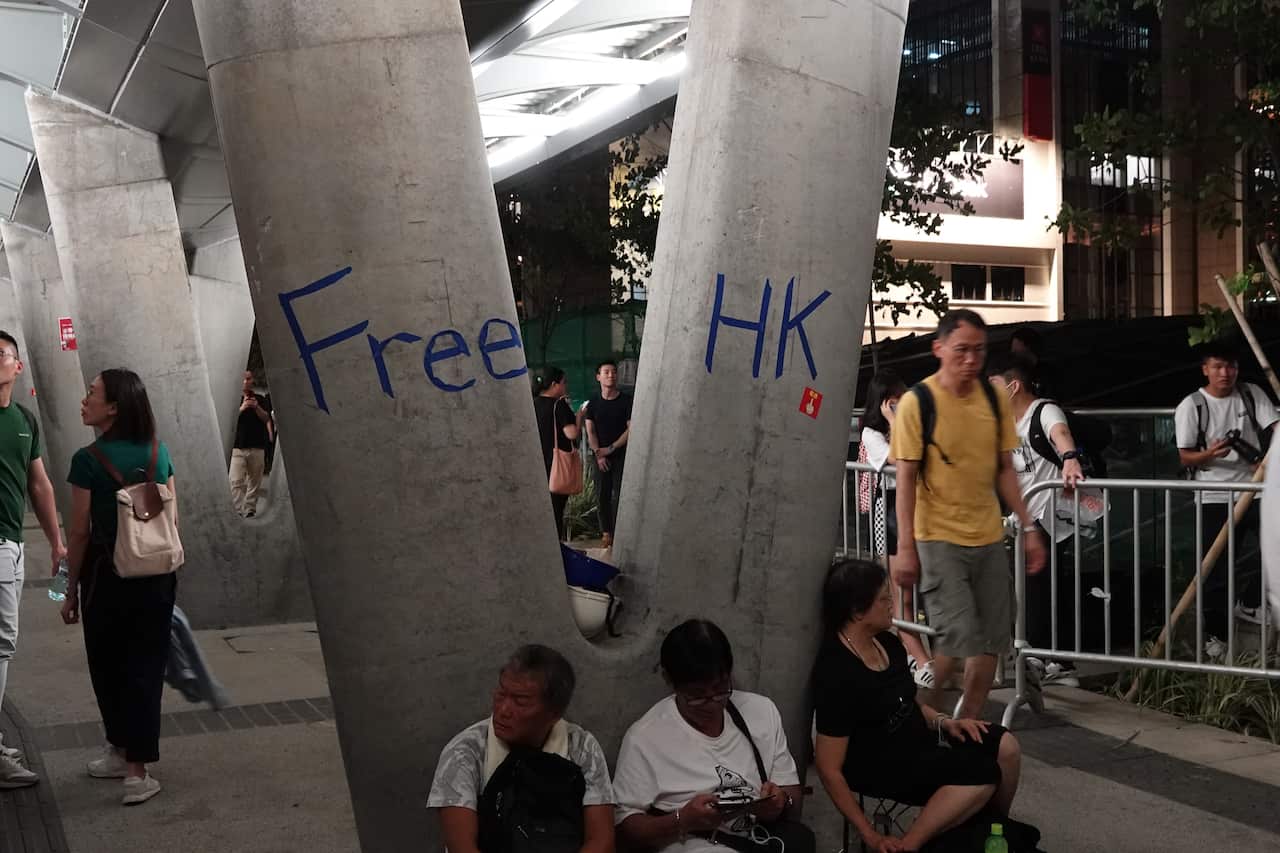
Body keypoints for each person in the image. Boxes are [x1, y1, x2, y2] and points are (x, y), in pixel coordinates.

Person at [890, 309, 1045, 720]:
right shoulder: (916, 403)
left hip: (988, 535)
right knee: (957, 638)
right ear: (938, 349)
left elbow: (1004, 469)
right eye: (961, 350)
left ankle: (968, 724)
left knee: (993, 638)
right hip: (937, 537)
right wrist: (906, 548)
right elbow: (904, 479)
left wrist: (1028, 527)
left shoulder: (994, 399)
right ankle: (921, 719)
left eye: (978, 350)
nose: (971, 360)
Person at [812, 559, 1021, 853]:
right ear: (858, 611)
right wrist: (870, 834)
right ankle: (909, 845)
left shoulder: (888, 643)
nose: (892, 606)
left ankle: (994, 830)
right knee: (982, 773)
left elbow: (908, 703)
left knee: (1006, 747)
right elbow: (828, 767)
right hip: (879, 763)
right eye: (884, 599)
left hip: (918, 741)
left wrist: (946, 722)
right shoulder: (837, 671)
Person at [60, 369, 176, 806]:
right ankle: (134, 768)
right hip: (155, 577)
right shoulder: (157, 451)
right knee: (144, 669)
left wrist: (67, 590)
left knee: (107, 664)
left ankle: (123, 755)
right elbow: (172, 517)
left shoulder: (86, 460)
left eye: (92, 393)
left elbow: (79, 534)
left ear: (114, 407)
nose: (84, 400)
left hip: (105, 578)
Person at [613, 619, 809, 853]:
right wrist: (681, 820)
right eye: (697, 696)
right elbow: (625, 827)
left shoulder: (761, 712)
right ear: (669, 681)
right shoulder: (644, 738)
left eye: (720, 690)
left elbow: (793, 795)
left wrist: (780, 802)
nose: (712, 705)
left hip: (761, 840)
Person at [427, 644, 614, 853]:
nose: (503, 710)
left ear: (554, 713)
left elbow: (601, 842)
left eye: (520, 701)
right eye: (501, 694)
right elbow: (461, 848)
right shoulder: (464, 751)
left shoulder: (582, 748)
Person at [989, 354, 1092, 687]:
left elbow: (1060, 433)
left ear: (1013, 385)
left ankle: (1048, 658)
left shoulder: (1044, 411)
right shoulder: (1005, 422)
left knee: (1039, 586)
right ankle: (1047, 657)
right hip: (1024, 518)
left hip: (1049, 516)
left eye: (993, 387)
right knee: (1033, 588)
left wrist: (1070, 459)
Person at [1174, 340, 1278, 640]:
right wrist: (1209, 455)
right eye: (1218, 366)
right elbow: (1185, 456)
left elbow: (1275, 427)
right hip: (1213, 494)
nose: (1225, 373)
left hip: (1255, 489)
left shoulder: (1250, 393)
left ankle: (1250, 601)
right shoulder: (1192, 405)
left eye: (1230, 366)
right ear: (1205, 369)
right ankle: (1214, 637)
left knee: (1275, 546)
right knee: (1216, 567)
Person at [0, 331, 65, 789]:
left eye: (1, 355)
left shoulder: (24, 419)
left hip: (12, 546)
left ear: (17, 368)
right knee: (1, 643)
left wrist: (56, 543)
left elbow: (39, 485)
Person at [859, 369, 933, 688]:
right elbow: (899, 461)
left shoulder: (914, 426)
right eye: (896, 399)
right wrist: (894, 423)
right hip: (887, 510)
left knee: (924, 592)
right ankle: (920, 659)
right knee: (900, 594)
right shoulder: (871, 434)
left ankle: (924, 657)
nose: (904, 403)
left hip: (921, 508)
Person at [584, 361, 632, 550]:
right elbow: (591, 431)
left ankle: (621, 532)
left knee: (621, 494)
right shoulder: (593, 402)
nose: (611, 375)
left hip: (622, 454)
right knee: (602, 495)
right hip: (600, 456)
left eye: (613, 372)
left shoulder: (626, 400)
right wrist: (599, 454)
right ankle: (606, 533)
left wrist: (611, 448)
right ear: (598, 377)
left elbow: (631, 429)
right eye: (606, 372)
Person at [534, 367, 581, 541]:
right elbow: (572, 434)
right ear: (554, 384)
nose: (566, 386)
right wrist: (579, 416)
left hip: (535, 467)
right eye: (564, 382)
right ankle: (557, 550)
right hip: (556, 466)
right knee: (555, 510)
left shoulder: (532, 403)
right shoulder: (559, 405)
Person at [229, 370, 273, 518]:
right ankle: (237, 509)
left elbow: (267, 418)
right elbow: (229, 420)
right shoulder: (233, 398)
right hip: (237, 446)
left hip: (257, 445)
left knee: (255, 480)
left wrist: (256, 407)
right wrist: (242, 408)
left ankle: (249, 509)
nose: (246, 382)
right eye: (243, 379)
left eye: (248, 379)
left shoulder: (260, 398)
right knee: (235, 480)